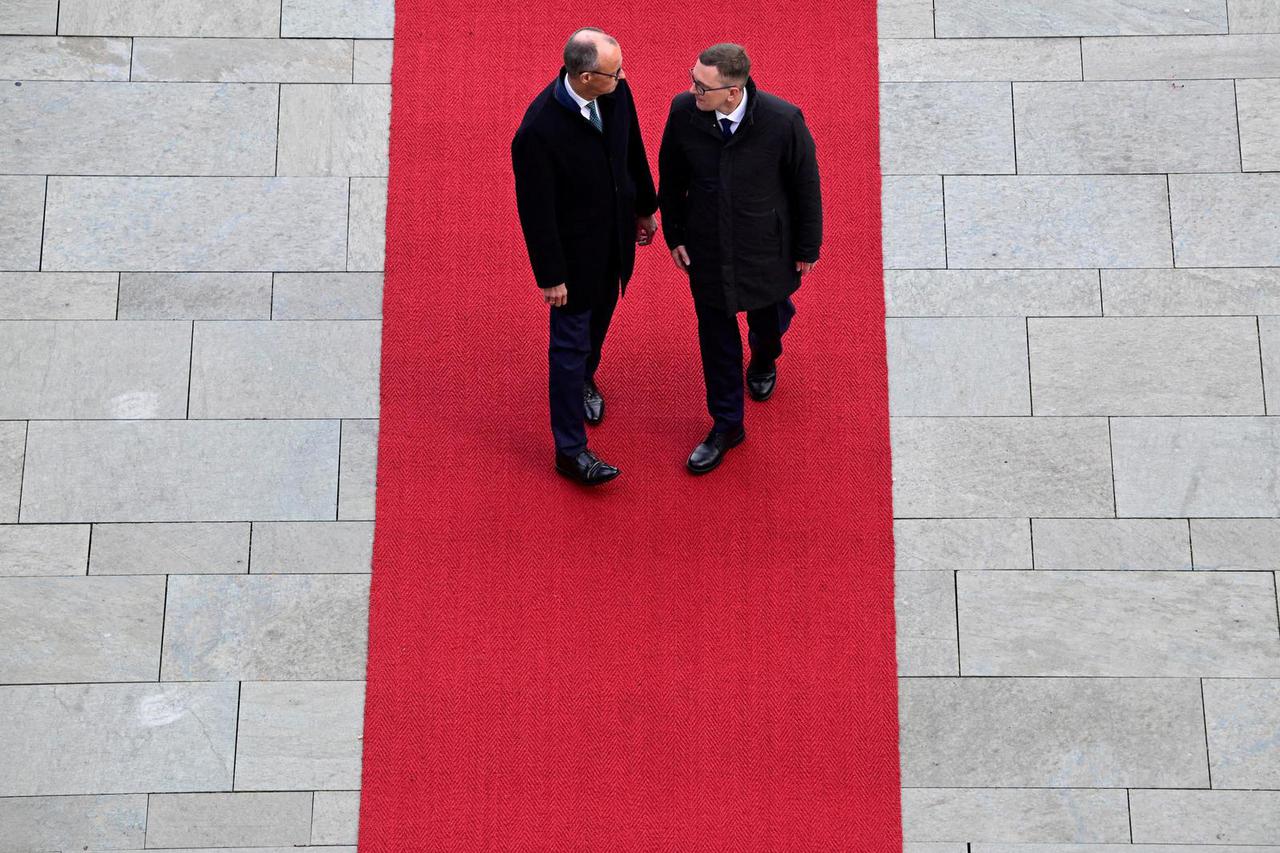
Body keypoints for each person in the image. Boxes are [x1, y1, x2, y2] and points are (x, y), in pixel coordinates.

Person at [658, 43, 822, 474]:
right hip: (707, 249)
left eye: (702, 85)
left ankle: (766, 357)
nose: (692, 90)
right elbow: (672, 176)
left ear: (733, 92)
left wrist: (807, 248)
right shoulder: (684, 113)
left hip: (766, 250)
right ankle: (727, 424)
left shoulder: (782, 120)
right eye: (692, 79)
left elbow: (806, 186)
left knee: (767, 322)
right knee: (716, 337)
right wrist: (674, 232)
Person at [512, 28, 659, 485]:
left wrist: (645, 208)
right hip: (572, 264)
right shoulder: (537, 132)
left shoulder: (616, 92)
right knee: (569, 346)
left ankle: (585, 380)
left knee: (599, 324)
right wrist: (551, 276)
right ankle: (570, 451)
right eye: (614, 73)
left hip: (613, 245)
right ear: (586, 76)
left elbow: (632, 147)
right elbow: (536, 213)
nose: (624, 77)